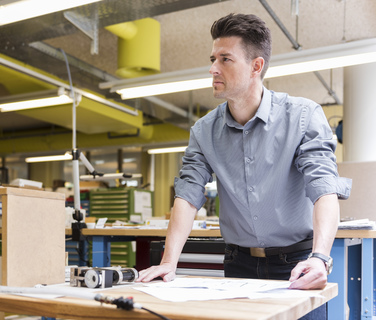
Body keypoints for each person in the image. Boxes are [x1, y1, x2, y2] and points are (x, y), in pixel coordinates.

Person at [136, 13, 351, 320]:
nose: (212, 69)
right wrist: (169, 262)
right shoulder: (204, 131)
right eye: (213, 59)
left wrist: (320, 258)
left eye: (225, 59)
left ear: (256, 66)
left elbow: (323, 189)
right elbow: (187, 195)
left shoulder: (303, 116)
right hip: (238, 265)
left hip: (299, 264)